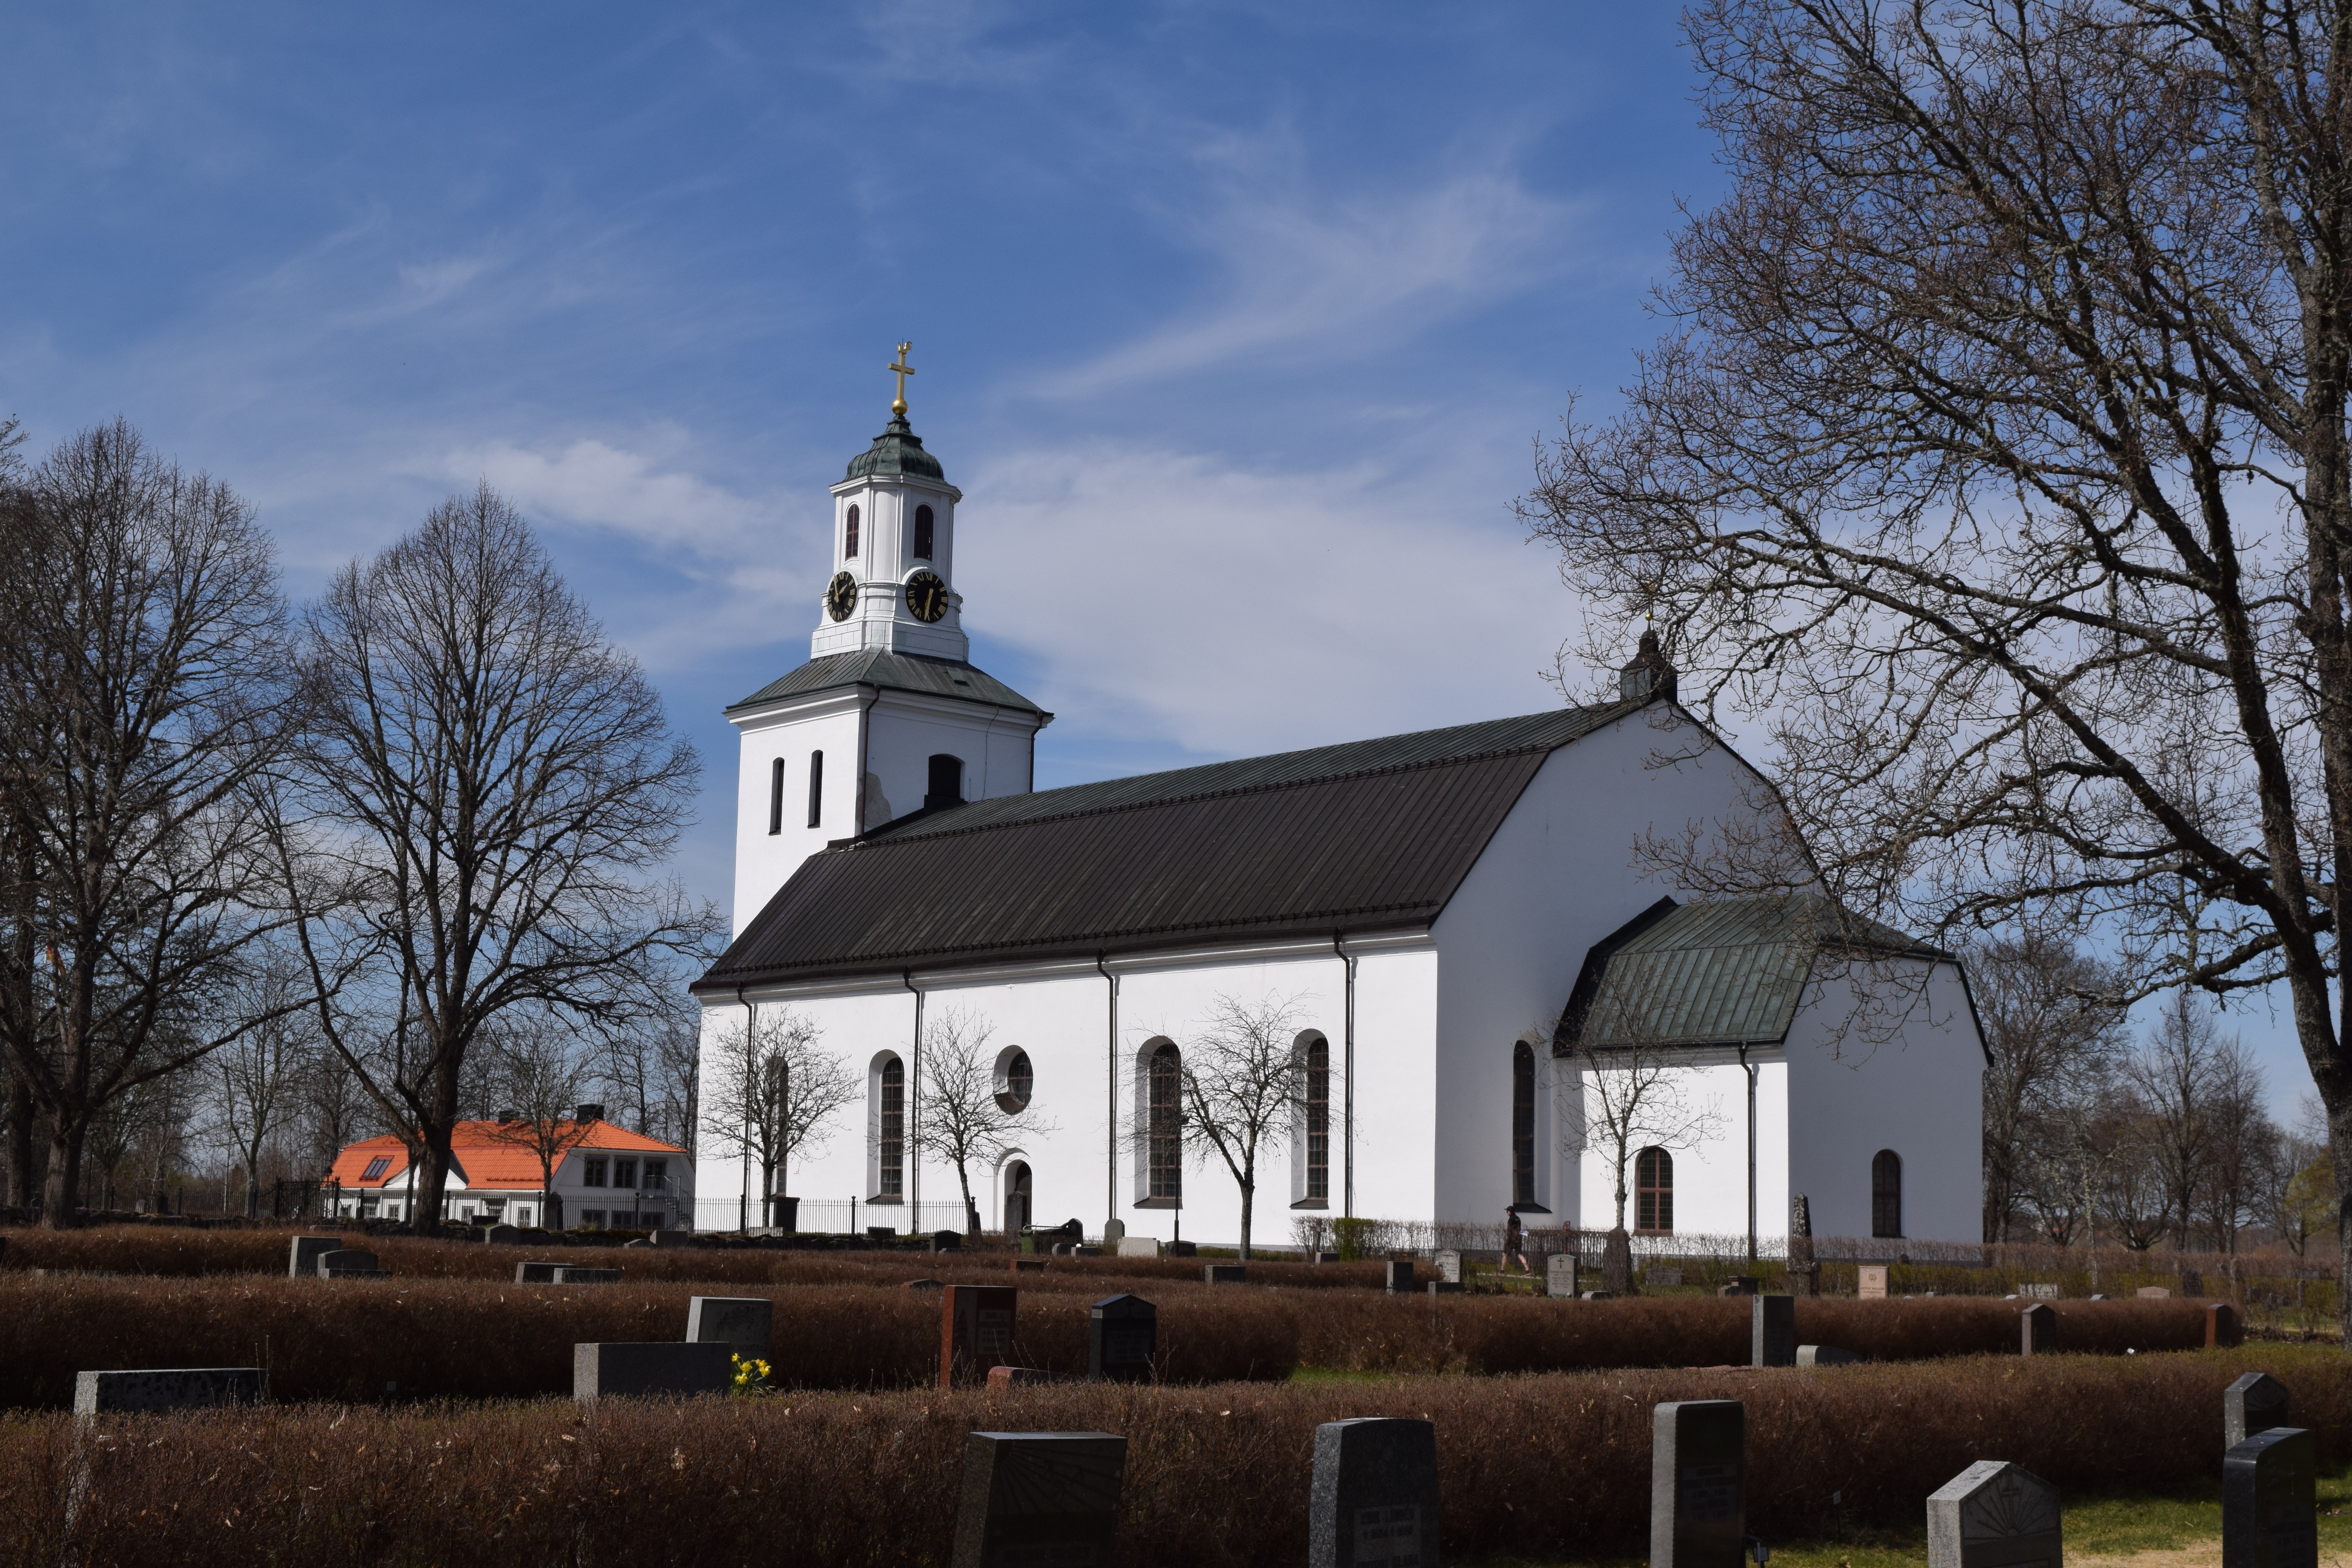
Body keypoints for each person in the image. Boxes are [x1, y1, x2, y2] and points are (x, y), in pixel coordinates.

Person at [1504, 1208, 1529, 1274]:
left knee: (1505, 1254)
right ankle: (1527, 1269)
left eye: (1507, 1211)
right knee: (1520, 1255)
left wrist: (1509, 1237)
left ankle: (1502, 1270)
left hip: (1511, 1240)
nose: (1507, 1212)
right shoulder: (1518, 1218)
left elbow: (1509, 1230)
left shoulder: (1511, 1219)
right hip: (1518, 1239)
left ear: (1510, 1212)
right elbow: (1519, 1229)